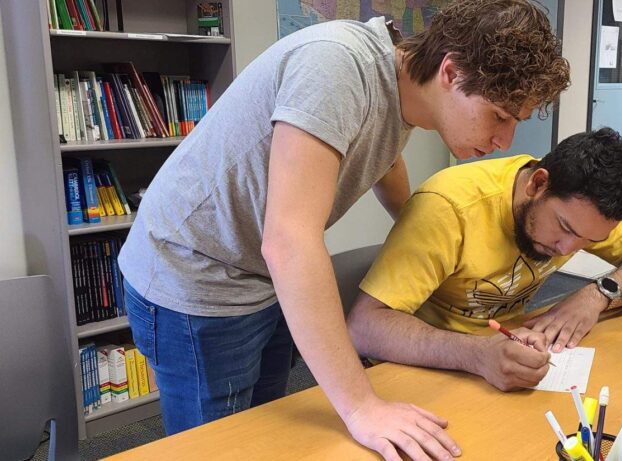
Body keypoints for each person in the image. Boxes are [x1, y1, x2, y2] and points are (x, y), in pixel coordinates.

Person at [116, 0, 570, 459]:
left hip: (257, 274)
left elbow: (384, 155)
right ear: (451, 72)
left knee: (265, 430)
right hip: (196, 274)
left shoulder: (404, 89)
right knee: (220, 447)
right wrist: (361, 407)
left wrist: (415, 236)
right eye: (500, 115)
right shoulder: (337, 67)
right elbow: (289, 242)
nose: (505, 142)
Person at [347, 128, 622, 391]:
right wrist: (477, 355)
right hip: (414, 370)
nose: (567, 249)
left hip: (503, 360)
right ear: (538, 184)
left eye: (588, 241)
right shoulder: (449, 208)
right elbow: (364, 327)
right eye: (563, 227)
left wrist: (597, 295)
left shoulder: (583, 212)